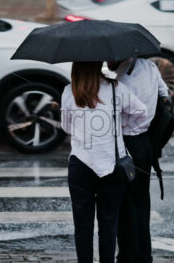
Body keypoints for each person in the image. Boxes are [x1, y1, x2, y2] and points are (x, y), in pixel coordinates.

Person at [61, 61, 148, 263]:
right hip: (112, 163)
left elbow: (66, 128)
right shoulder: (115, 88)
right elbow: (141, 112)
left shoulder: (69, 91)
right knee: (109, 223)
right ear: (97, 66)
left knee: (82, 225)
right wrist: (121, 125)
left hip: (80, 164)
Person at [108, 58, 170, 263]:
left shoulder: (121, 79)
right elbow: (165, 94)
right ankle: (144, 256)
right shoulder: (150, 66)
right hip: (145, 144)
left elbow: (117, 113)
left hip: (126, 144)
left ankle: (127, 257)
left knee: (125, 206)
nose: (107, 60)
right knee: (141, 203)